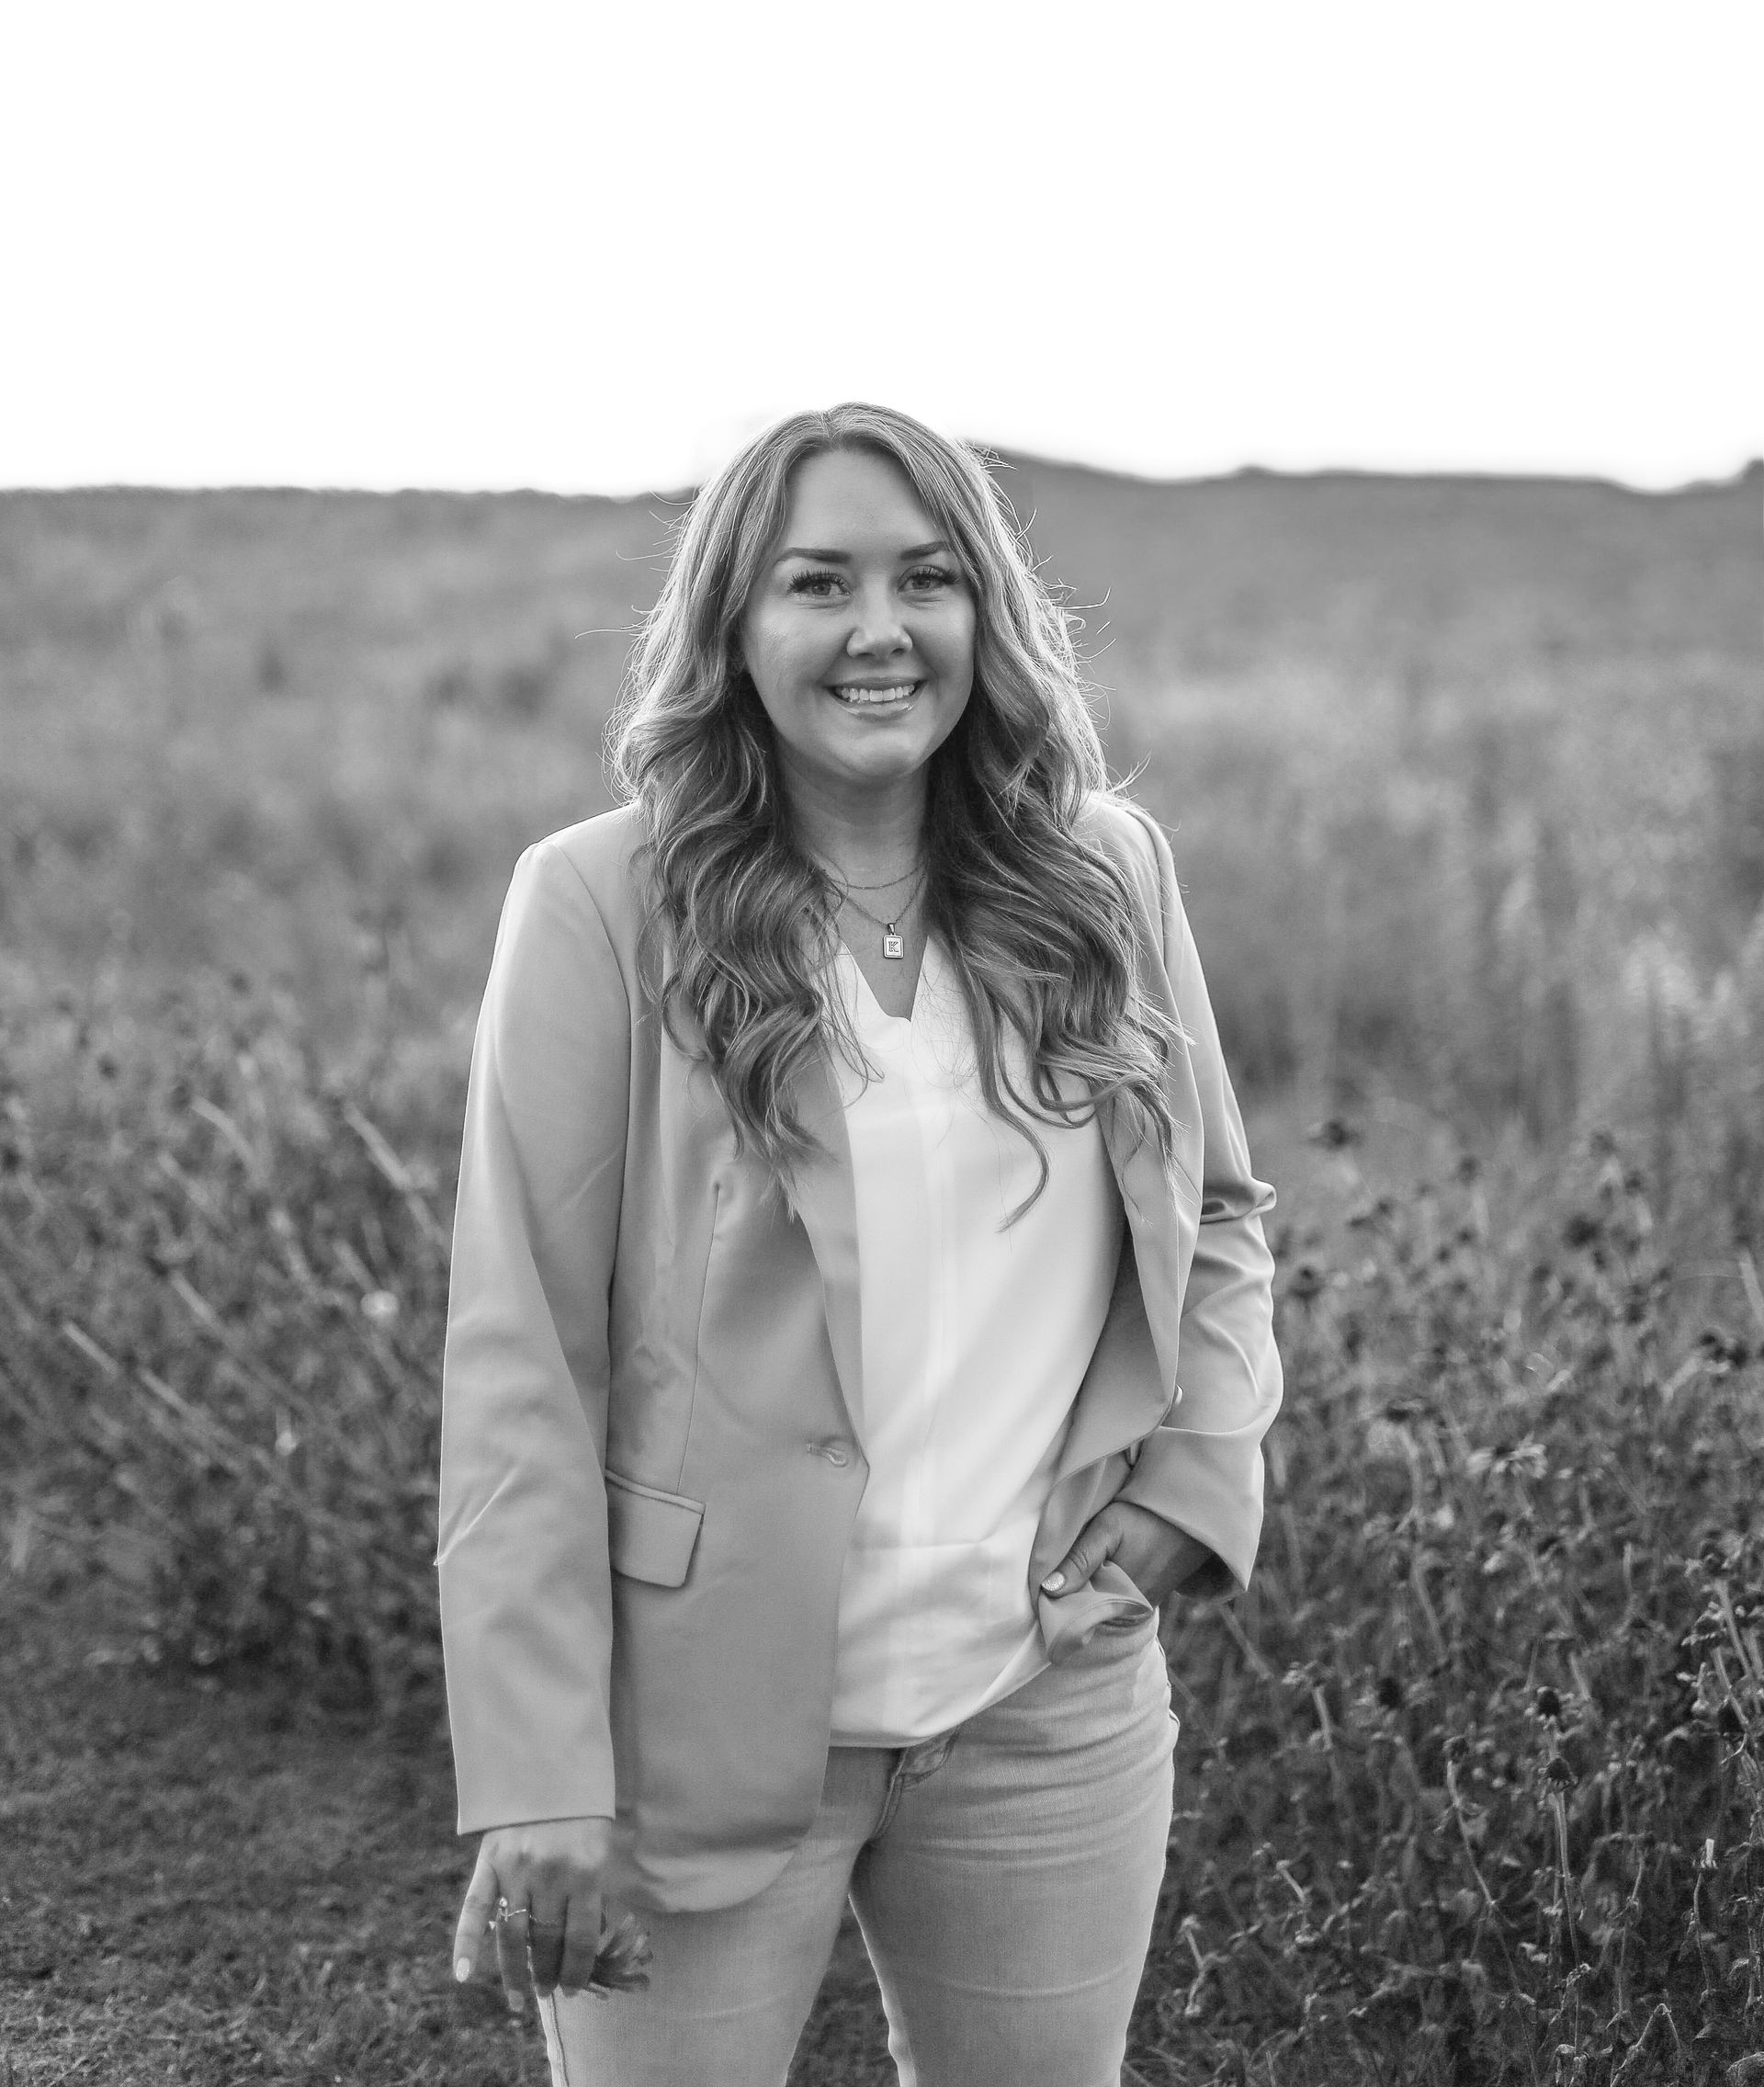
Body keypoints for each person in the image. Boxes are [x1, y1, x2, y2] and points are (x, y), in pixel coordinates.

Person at [438, 401, 1281, 2087]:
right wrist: (539, 1779)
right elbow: (523, 1353)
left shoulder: (1105, 874)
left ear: (990, 615)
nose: (881, 632)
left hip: (1045, 1702)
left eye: (929, 579)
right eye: (819, 584)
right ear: (735, 631)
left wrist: (1200, 1477)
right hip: (693, 1716)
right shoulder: (602, 903)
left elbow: (1219, 1213)